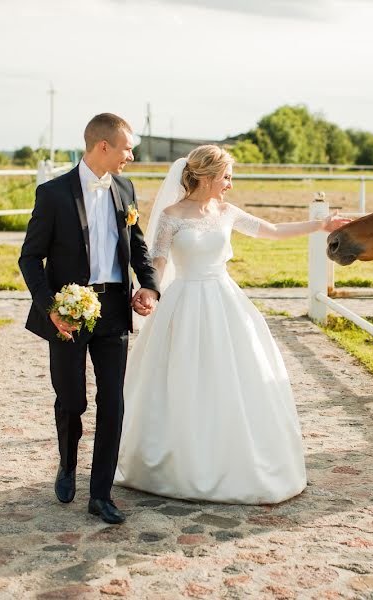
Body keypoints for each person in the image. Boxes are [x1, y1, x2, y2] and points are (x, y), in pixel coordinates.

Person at [115, 145, 349, 504]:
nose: (230, 184)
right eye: (226, 176)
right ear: (207, 176)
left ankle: (235, 461)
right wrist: (149, 292)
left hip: (224, 302)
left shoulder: (227, 212)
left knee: (235, 376)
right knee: (183, 379)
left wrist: (321, 225)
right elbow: (158, 263)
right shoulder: (171, 215)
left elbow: (271, 230)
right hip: (184, 305)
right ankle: (179, 463)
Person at [18, 113, 160, 524]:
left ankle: (101, 494)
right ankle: (66, 464)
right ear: (103, 147)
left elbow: (138, 246)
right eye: (127, 148)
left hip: (115, 307)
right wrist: (50, 308)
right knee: (72, 399)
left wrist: (147, 285)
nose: (131, 156)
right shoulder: (53, 194)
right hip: (68, 312)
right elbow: (30, 257)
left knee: (112, 401)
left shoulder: (125, 188)